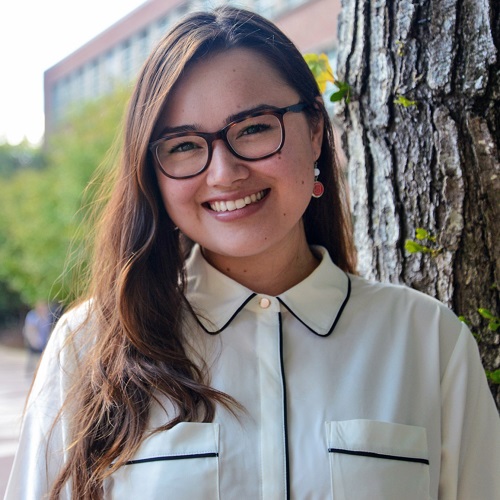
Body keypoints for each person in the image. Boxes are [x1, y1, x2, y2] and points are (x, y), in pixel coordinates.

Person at [5, 7, 499, 500]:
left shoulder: (427, 341)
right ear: (151, 171)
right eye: (183, 146)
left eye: (254, 128)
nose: (224, 173)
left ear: (314, 131)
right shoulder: (90, 347)